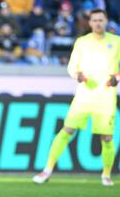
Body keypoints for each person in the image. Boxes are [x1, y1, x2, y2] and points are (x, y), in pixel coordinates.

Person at [32, 9, 120, 186]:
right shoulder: (82, 42)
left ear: (106, 21)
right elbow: (72, 67)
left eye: (101, 20)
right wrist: (77, 75)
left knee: (107, 137)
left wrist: (116, 77)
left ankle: (106, 175)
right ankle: (47, 170)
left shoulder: (116, 42)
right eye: (94, 20)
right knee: (67, 130)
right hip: (84, 95)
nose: (97, 23)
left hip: (106, 96)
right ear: (90, 23)